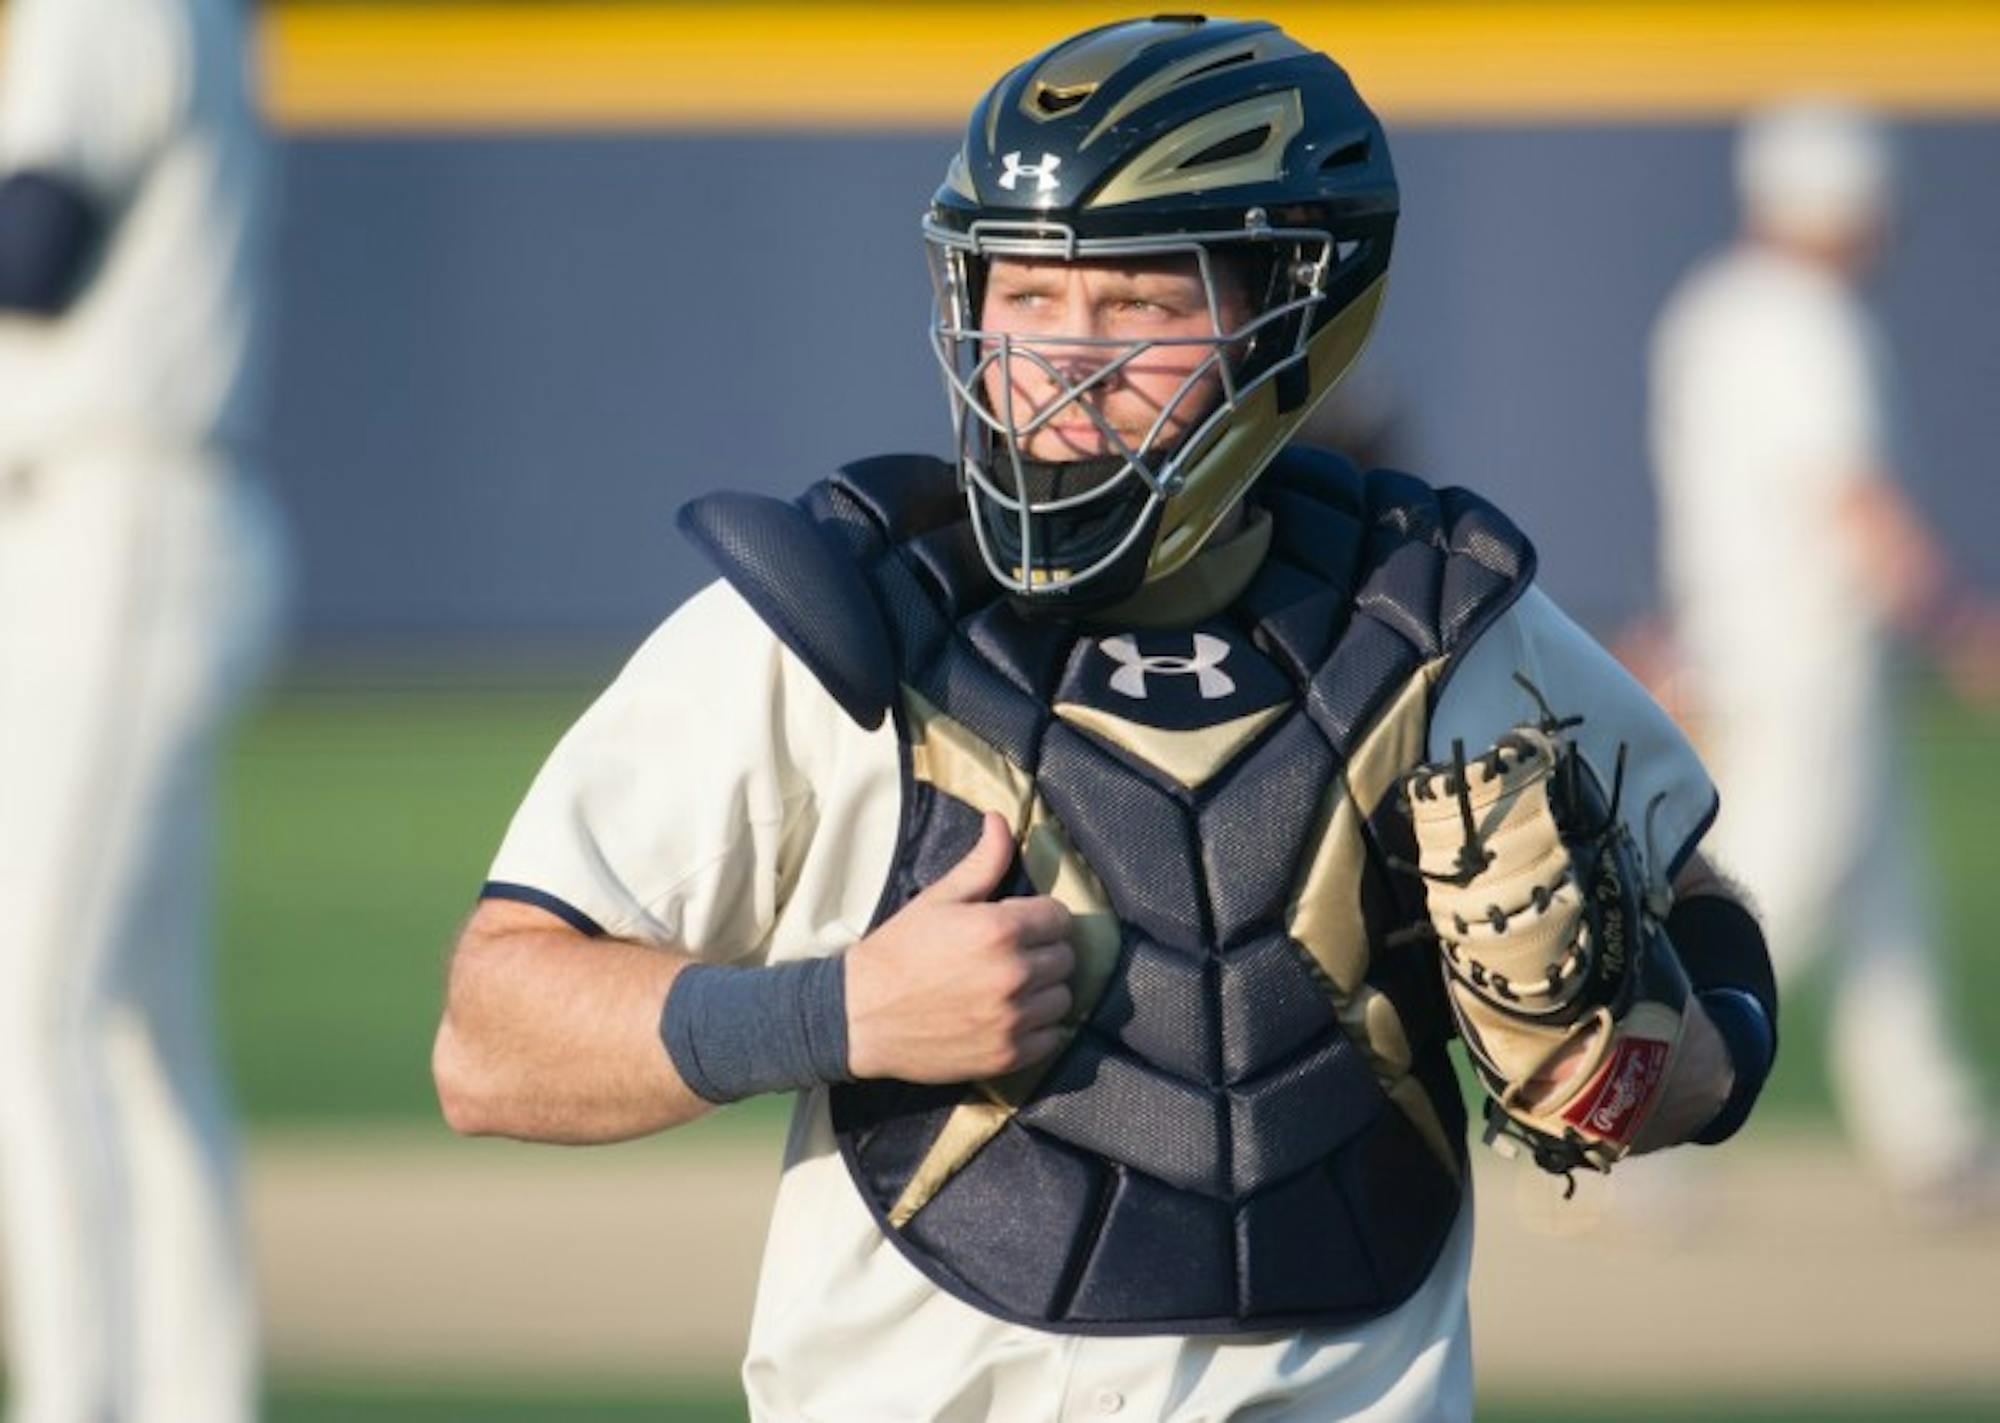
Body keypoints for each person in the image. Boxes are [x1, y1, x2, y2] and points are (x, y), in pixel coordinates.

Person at [436, 18, 1777, 1420]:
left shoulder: (1433, 624)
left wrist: (1632, 1059)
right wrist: (836, 1008)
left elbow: (1698, 927)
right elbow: (491, 1039)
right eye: (1022, 298)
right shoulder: (835, 622)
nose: (1061, 369)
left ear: (1296, 311)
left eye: (1137, 306)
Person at [0, 0, 279, 1418]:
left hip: (113, 520)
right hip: (134, 517)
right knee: (127, 1027)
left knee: (31, 1011)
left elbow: (33, 251)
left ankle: (81, 1396)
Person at [1644, 100, 1998, 1211]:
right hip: (1806, 657)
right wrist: (1957, 625)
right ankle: (1633, 1133)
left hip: (1743, 642)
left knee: (1886, 898)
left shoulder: (1710, 308)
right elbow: (1845, 499)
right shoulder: (1805, 321)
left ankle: (1932, 1131)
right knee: (1767, 901)